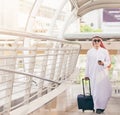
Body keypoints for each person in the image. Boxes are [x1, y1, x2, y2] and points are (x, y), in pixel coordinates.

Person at [85, 36, 112, 114]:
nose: (96, 42)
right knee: (95, 91)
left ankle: (102, 106)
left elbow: (109, 62)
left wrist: (103, 63)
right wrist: (86, 74)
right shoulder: (89, 52)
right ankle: (97, 107)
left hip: (103, 74)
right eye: (95, 41)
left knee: (106, 91)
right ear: (93, 42)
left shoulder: (104, 51)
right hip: (93, 74)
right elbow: (87, 64)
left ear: (100, 42)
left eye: (98, 41)